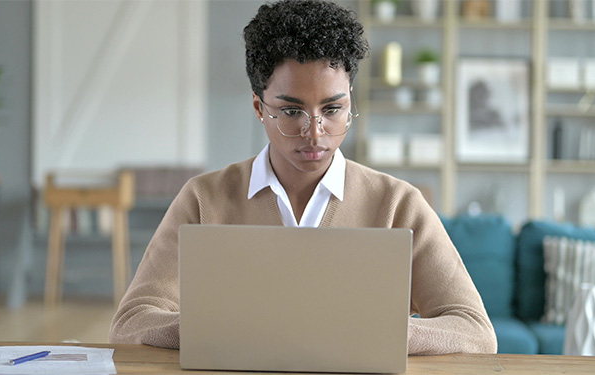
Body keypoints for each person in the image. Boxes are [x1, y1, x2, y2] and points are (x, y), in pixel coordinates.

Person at [109, 0, 497, 355]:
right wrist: (221, 330)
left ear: (351, 102)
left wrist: (379, 332)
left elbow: (476, 331)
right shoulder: (204, 198)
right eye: (292, 112)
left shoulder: (398, 204)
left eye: (333, 109)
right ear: (260, 108)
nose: (315, 132)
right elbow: (130, 323)